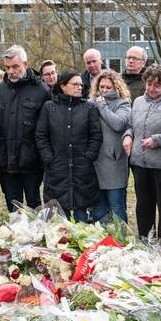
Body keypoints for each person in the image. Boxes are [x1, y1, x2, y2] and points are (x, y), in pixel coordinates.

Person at [36, 69, 102, 221]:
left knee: (82, 219)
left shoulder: (88, 108)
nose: (80, 87)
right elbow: (41, 136)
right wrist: (49, 158)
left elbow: (96, 135)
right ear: (63, 86)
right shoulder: (49, 107)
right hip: (57, 168)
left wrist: (88, 157)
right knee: (58, 219)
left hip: (82, 168)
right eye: (75, 84)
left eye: (81, 84)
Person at [123, 64, 161, 242]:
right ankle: (145, 241)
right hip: (140, 163)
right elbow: (131, 126)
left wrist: (157, 140)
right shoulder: (138, 102)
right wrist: (127, 136)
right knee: (143, 206)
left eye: (156, 85)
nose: (151, 88)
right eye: (149, 84)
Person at [0, 45, 50, 211]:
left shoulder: (42, 90)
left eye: (15, 66)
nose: (11, 71)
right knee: (13, 204)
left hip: (32, 160)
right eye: (7, 67)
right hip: (6, 160)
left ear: (26, 64)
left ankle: (36, 236)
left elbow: (46, 128)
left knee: (34, 203)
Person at [89, 70, 132, 223]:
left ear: (116, 87)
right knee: (99, 206)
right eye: (102, 87)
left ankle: (122, 241)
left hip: (113, 162)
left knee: (116, 206)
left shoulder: (123, 103)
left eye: (108, 87)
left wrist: (102, 106)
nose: (104, 90)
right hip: (95, 162)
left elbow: (119, 124)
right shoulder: (91, 103)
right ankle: (102, 241)